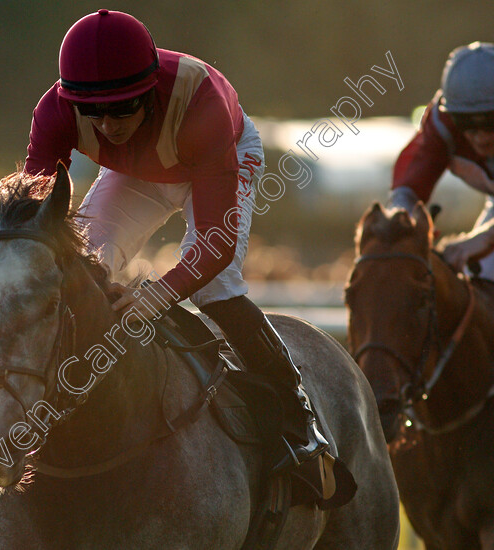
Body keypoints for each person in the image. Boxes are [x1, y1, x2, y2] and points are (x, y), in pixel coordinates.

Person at [23, 9, 328, 473]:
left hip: (221, 158)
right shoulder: (54, 111)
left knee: (214, 284)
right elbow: (35, 223)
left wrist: (156, 298)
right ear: (73, 102)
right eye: (93, 111)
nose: (107, 124)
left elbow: (213, 247)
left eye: (123, 106)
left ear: (149, 91)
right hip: (137, 171)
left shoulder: (199, 101)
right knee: (78, 267)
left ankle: (299, 417)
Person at [389, 42, 494, 278]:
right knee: (480, 275)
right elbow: (407, 190)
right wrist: (401, 221)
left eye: (491, 120)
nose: (481, 136)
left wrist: (486, 236)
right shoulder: (441, 125)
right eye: (465, 122)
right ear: (451, 115)